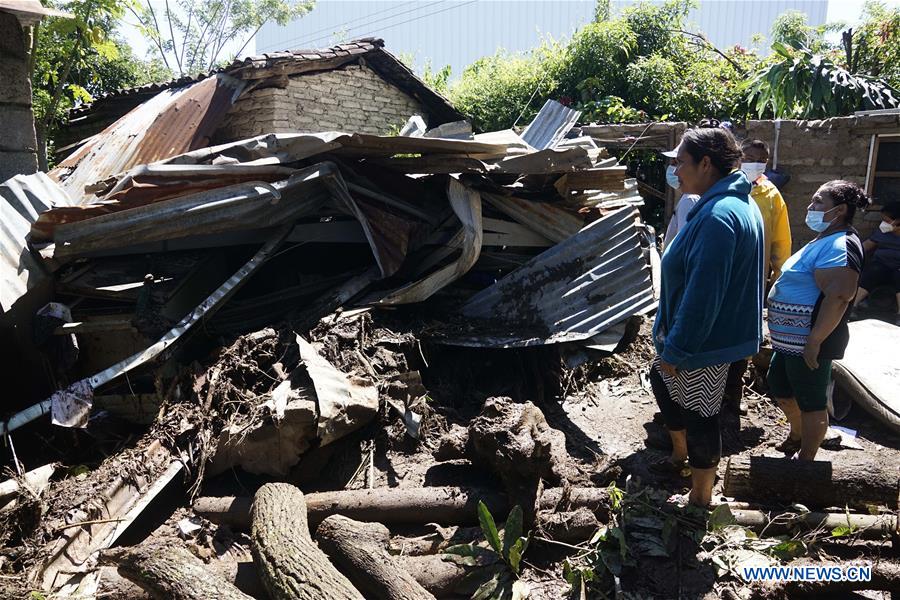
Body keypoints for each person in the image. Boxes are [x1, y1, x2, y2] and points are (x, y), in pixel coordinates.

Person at [650, 127, 764, 507]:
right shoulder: (730, 203)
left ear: (705, 163)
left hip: (705, 341)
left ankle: (700, 498)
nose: (676, 172)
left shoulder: (719, 215)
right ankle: (681, 458)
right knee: (664, 385)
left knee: (701, 416)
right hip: (711, 335)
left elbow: (704, 294)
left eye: (681, 163)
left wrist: (677, 348)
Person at [767, 180, 868, 460]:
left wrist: (815, 340)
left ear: (840, 210)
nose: (810, 207)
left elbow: (840, 295)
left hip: (807, 341)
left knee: (812, 401)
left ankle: (807, 461)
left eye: (818, 202)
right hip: (789, 341)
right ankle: (798, 434)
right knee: (780, 385)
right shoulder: (825, 239)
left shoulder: (841, 243)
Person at [723, 139, 793, 413]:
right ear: (739, 157)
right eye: (749, 157)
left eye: (761, 159)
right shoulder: (724, 186)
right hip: (723, 275)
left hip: (753, 279)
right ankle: (711, 393)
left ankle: (733, 393)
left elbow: (780, 239)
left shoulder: (770, 193)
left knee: (744, 337)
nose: (754, 163)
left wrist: (779, 274)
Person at [853, 201, 900, 324]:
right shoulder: (882, 232)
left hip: (898, 269)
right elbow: (867, 245)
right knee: (873, 272)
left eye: (887, 221)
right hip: (881, 265)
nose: (883, 224)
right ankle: (853, 307)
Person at [662, 151, 700, 249]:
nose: (674, 171)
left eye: (677, 163)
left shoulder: (689, 200)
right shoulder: (691, 197)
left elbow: (684, 247)